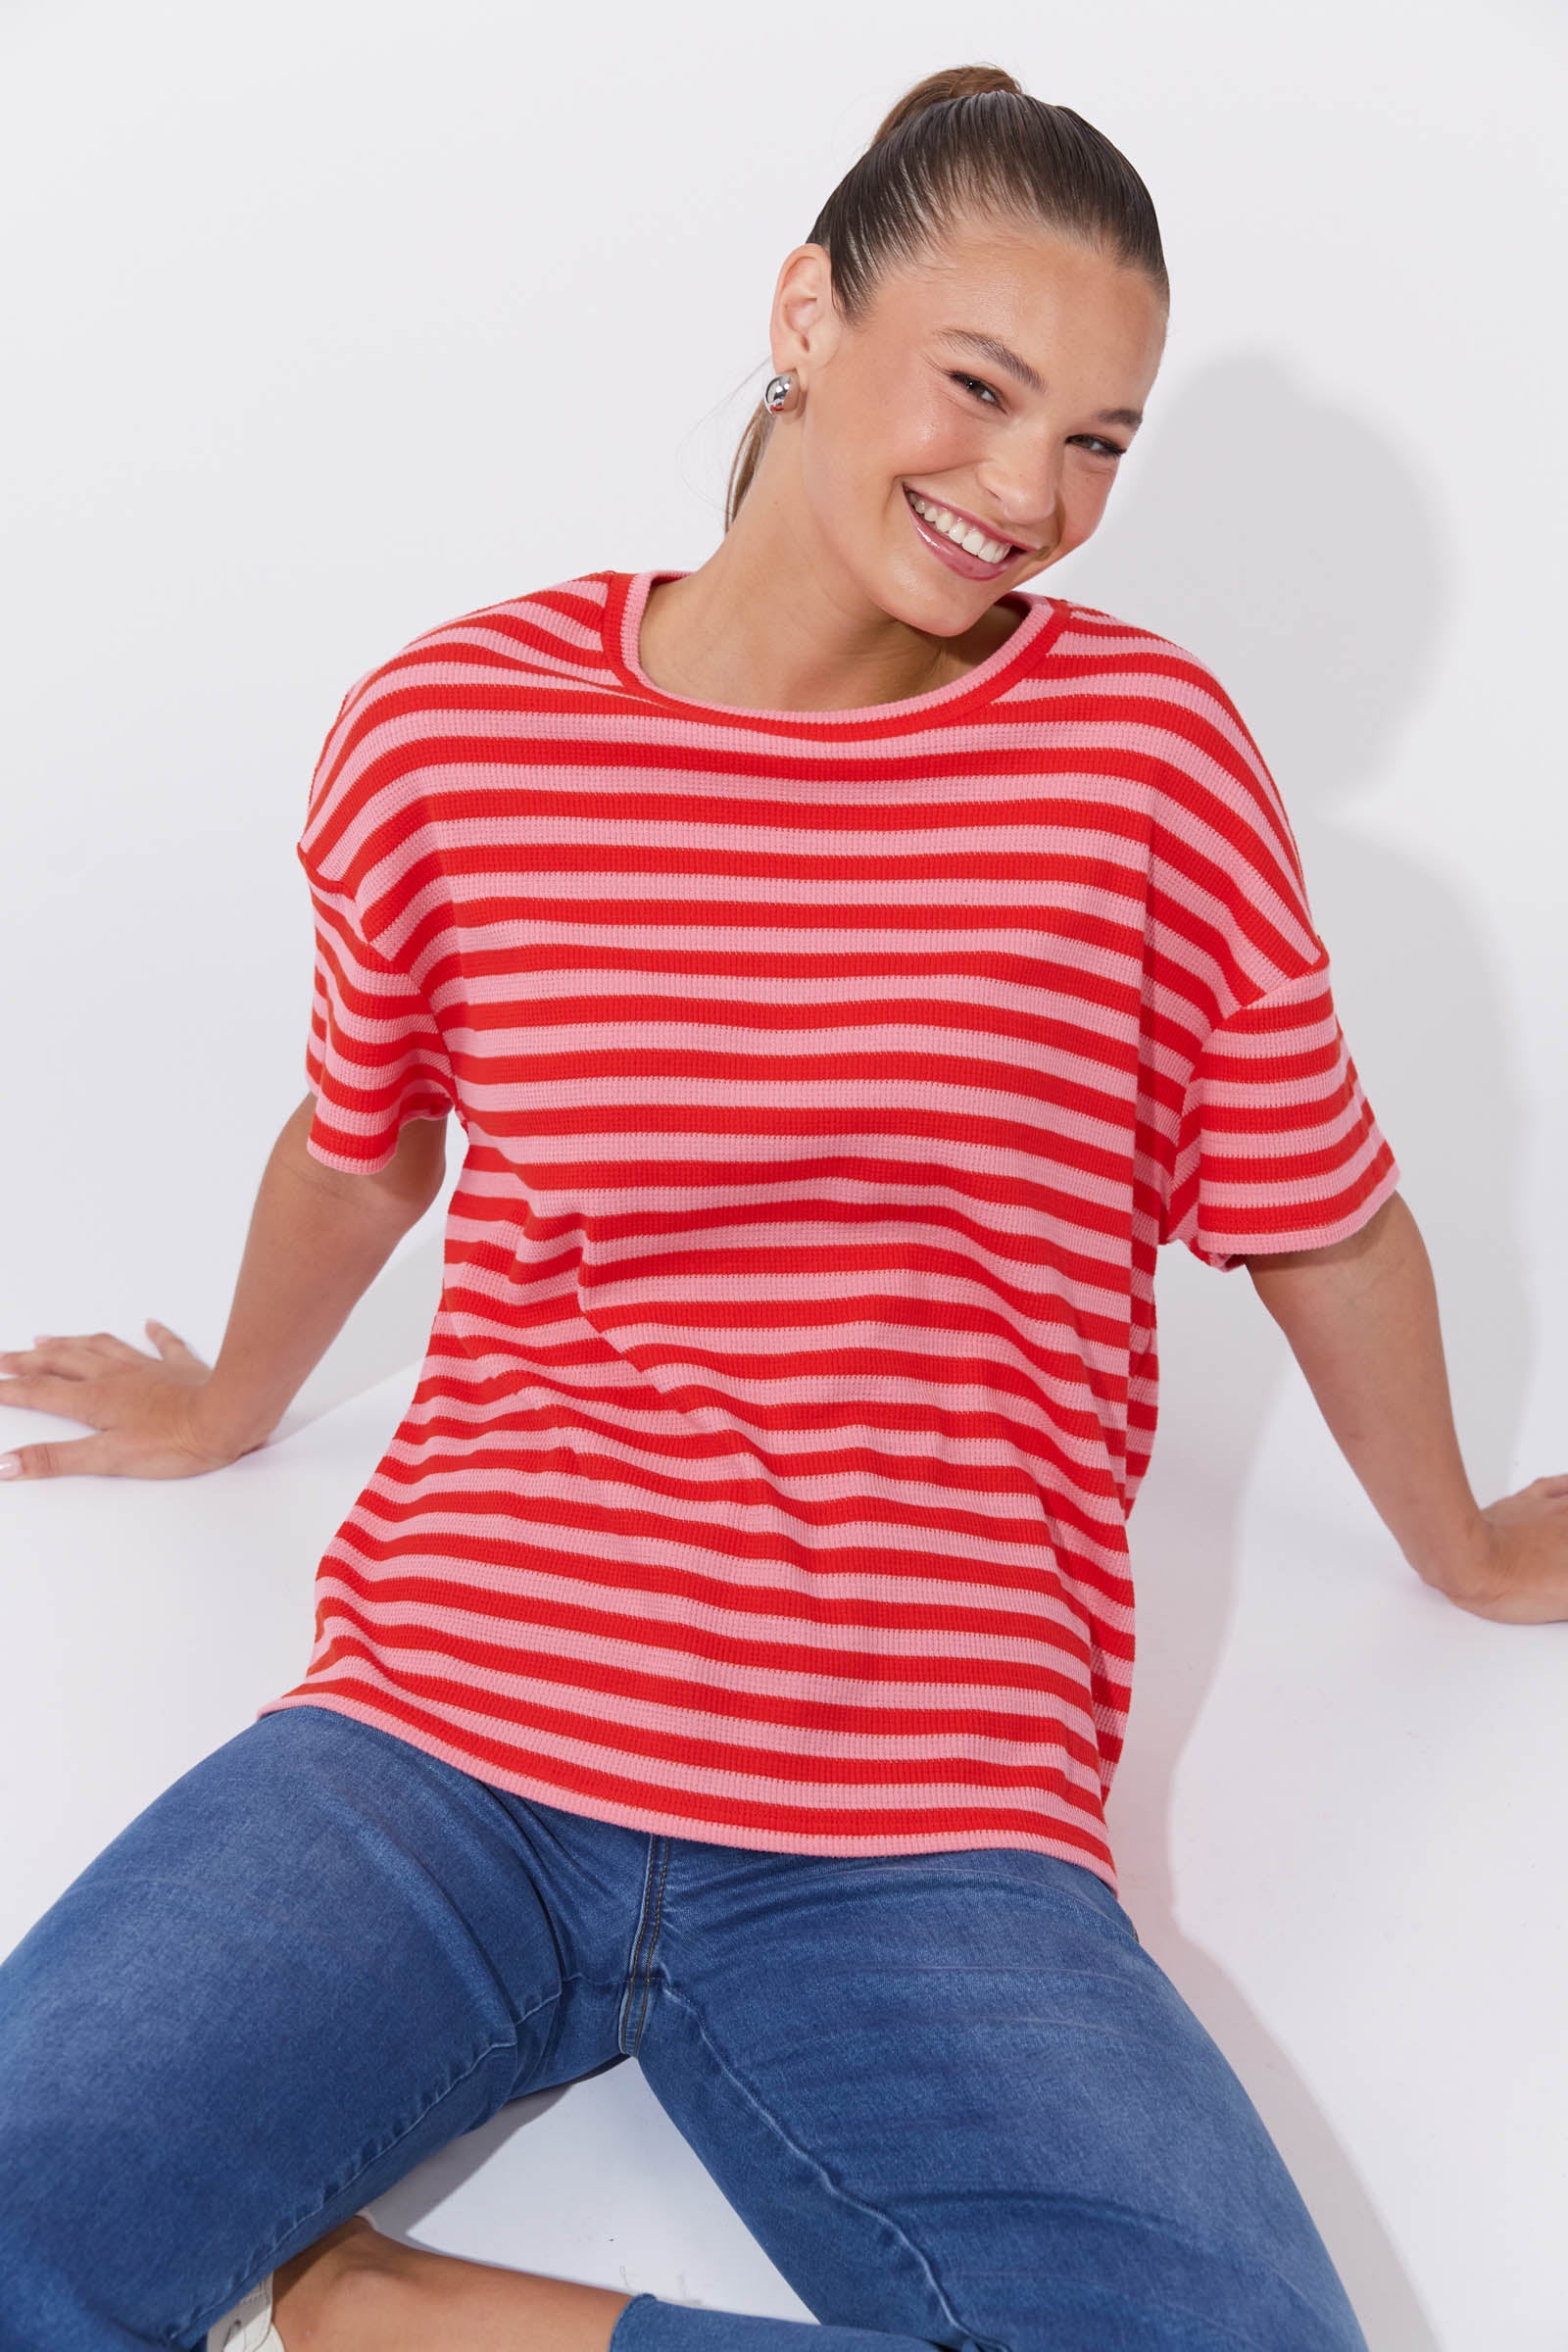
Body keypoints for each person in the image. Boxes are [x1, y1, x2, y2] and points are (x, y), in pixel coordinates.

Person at [2, 59, 1564, 2352]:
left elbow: (1314, 1212)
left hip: (916, 1815)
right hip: (451, 1734)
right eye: (979, 388)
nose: (1027, 492)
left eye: (1098, 441)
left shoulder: (1140, 765)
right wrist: (230, 1402)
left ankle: (418, 2325)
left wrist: (1459, 1544)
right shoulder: (453, 732)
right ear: (807, 314)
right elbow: (366, 1139)